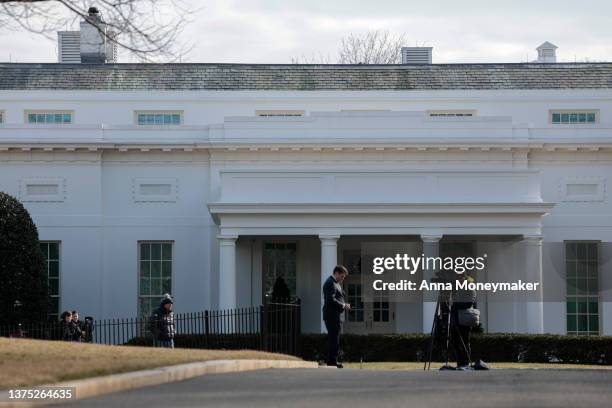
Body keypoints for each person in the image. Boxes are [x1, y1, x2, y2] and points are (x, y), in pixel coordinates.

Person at [450, 273, 489, 370]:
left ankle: (465, 362)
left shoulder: (470, 287)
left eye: (459, 278)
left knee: (464, 340)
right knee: (455, 341)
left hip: (464, 318)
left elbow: (469, 303)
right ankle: (460, 363)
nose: (457, 280)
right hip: (456, 318)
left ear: (464, 278)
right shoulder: (458, 288)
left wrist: (455, 305)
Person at [322, 265, 351, 368]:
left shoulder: (335, 283)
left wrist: (343, 304)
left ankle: (332, 359)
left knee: (334, 338)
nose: (342, 279)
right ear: (336, 273)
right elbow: (330, 300)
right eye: (342, 276)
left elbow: (337, 297)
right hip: (332, 315)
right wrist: (343, 305)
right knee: (333, 338)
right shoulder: (330, 283)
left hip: (335, 315)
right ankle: (332, 360)